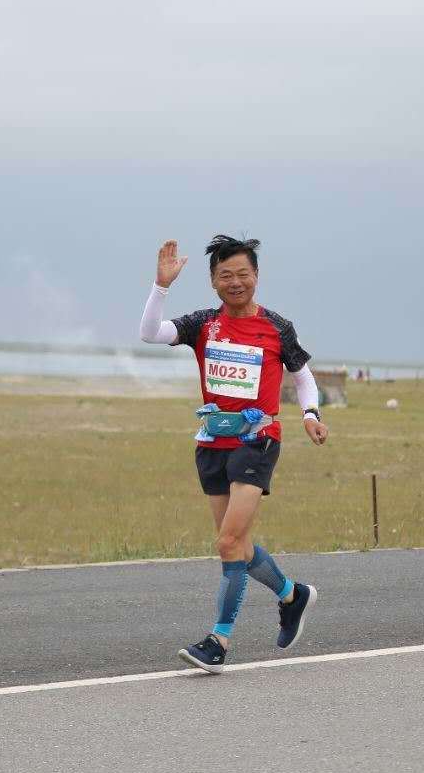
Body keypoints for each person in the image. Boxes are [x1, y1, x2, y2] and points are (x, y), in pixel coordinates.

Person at [139, 235, 327, 673]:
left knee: (227, 542)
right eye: (226, 275)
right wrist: (161, 285)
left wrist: (310, 414)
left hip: (257, 441)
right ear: (213, 281)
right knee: (236, 544)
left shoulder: (277, 327)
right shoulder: (204, 324)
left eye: (243, 273)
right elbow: (149, 333)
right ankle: (292, 594)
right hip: (212, 443)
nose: (236, 282)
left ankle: (218, 641)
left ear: (256, 276)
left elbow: (302, 376)